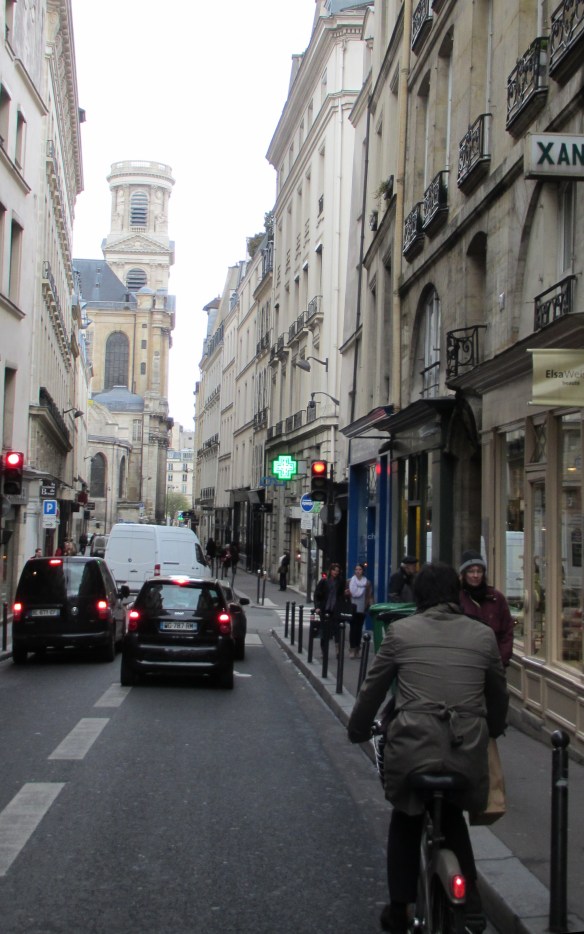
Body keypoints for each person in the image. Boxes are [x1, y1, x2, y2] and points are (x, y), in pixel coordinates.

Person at [348, 562, 508, 934]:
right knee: (452, 818)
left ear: (417, 596)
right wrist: (494, 731)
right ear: (455, 595)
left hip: (411, 753)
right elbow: (499, 698)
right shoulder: (482, 636)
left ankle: (399, 908)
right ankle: (471, 908)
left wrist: (356, 730)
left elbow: (372, 691)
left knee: (406, 818)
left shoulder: (400, 634)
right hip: (466, 750)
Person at [459, 549, 514, 666]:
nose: (475, 575)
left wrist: (502, 660)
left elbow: (507, 631)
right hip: (467, 664)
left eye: (479, 571)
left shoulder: (496, 598)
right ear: (464, 574)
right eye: (471, 571)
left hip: (494, 662)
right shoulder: (457, 598)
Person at [313, 563, 346, 656]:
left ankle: (337, 649)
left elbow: (341, 595)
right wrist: (317, 607)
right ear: (330, 571)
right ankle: (324, 651)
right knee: (324, 630)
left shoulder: (340, 581)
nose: (336, 572)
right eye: (334, 570)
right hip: (325, 608)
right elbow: (317, 594)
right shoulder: (324, 581)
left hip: (335, 609)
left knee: (337, 629)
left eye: (337, 571)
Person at [347, 563, 372, 658]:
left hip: (362, 608)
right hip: (352, 608)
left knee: (359, 629)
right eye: (356, 569)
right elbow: (345, 594)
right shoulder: (350, 581)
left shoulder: (367, 583)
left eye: (360, 569)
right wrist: (346, 593)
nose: (358, 571)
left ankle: (357, 648)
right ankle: (352, 649)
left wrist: (370, 605)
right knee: (353, 628)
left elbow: (370, 595)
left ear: (363, 571)